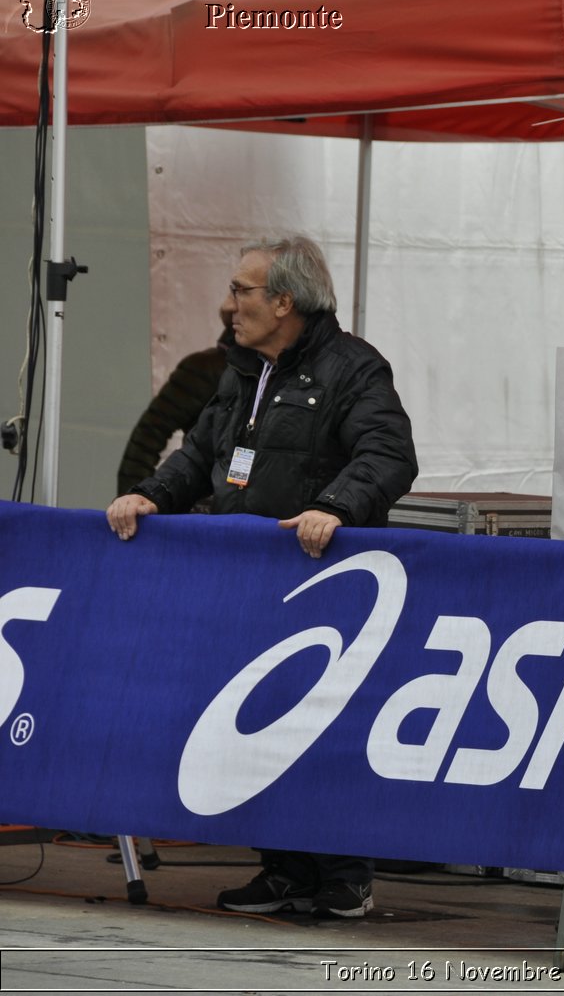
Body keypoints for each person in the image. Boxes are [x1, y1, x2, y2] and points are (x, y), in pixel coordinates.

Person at [105, 235, 418, 919]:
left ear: (284, 300)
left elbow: (390, 454)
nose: (229, 304)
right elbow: (203, 455)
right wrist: (151, 494)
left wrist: (334, 506)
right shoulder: (244, 370)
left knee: (324, 729)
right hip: (248, 588)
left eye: (241, 290)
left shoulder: (354, 368)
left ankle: (344, 875)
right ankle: (282, 868)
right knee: (260, 726)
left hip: (328, 587)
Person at [115, 305, 229, 495]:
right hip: (202, 504)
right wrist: (135, 497)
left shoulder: (282, 373)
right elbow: (149, 434)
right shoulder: (206, 367)